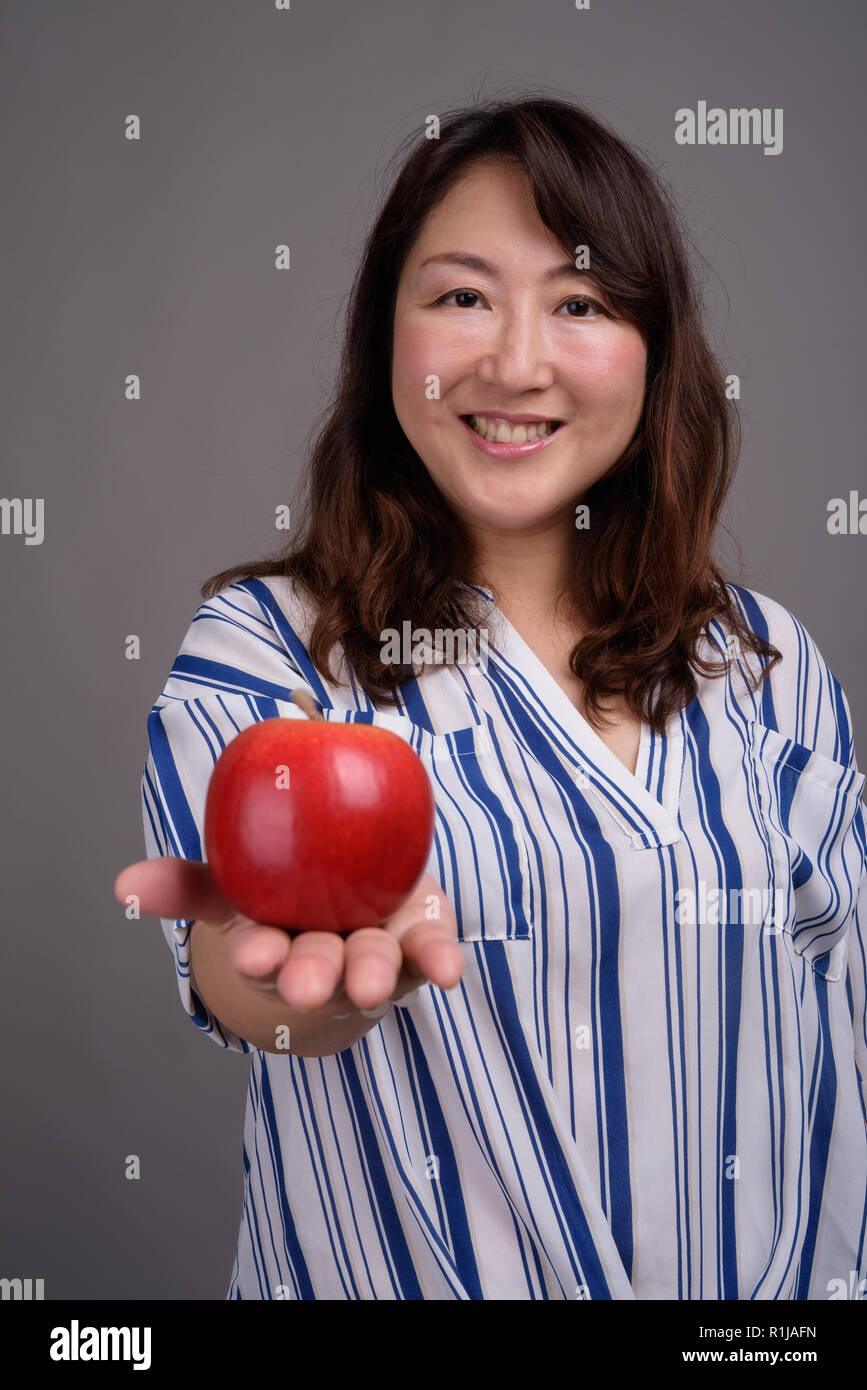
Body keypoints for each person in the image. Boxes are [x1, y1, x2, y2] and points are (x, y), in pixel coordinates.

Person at [115, 94, 867, 1301]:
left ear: (655, 349)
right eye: (462, 295)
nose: (516, 363)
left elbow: (838, 1042)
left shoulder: (767, 660)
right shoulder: (269, 654)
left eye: (579, 304)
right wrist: (285, 974)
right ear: (386, 340)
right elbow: (253, 985)